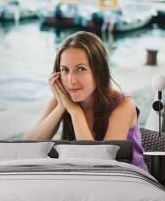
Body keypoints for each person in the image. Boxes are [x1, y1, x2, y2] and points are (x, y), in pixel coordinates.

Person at [25, 31, 148, 172]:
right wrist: (61, 106)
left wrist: (75, 112)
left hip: (129, 182)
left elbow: (101, 166)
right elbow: (28, 147)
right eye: (65, 70)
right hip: (85, 180)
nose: (71, 80)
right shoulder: (63, 99)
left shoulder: (123, 105)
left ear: (99, 71)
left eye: (80, 69)